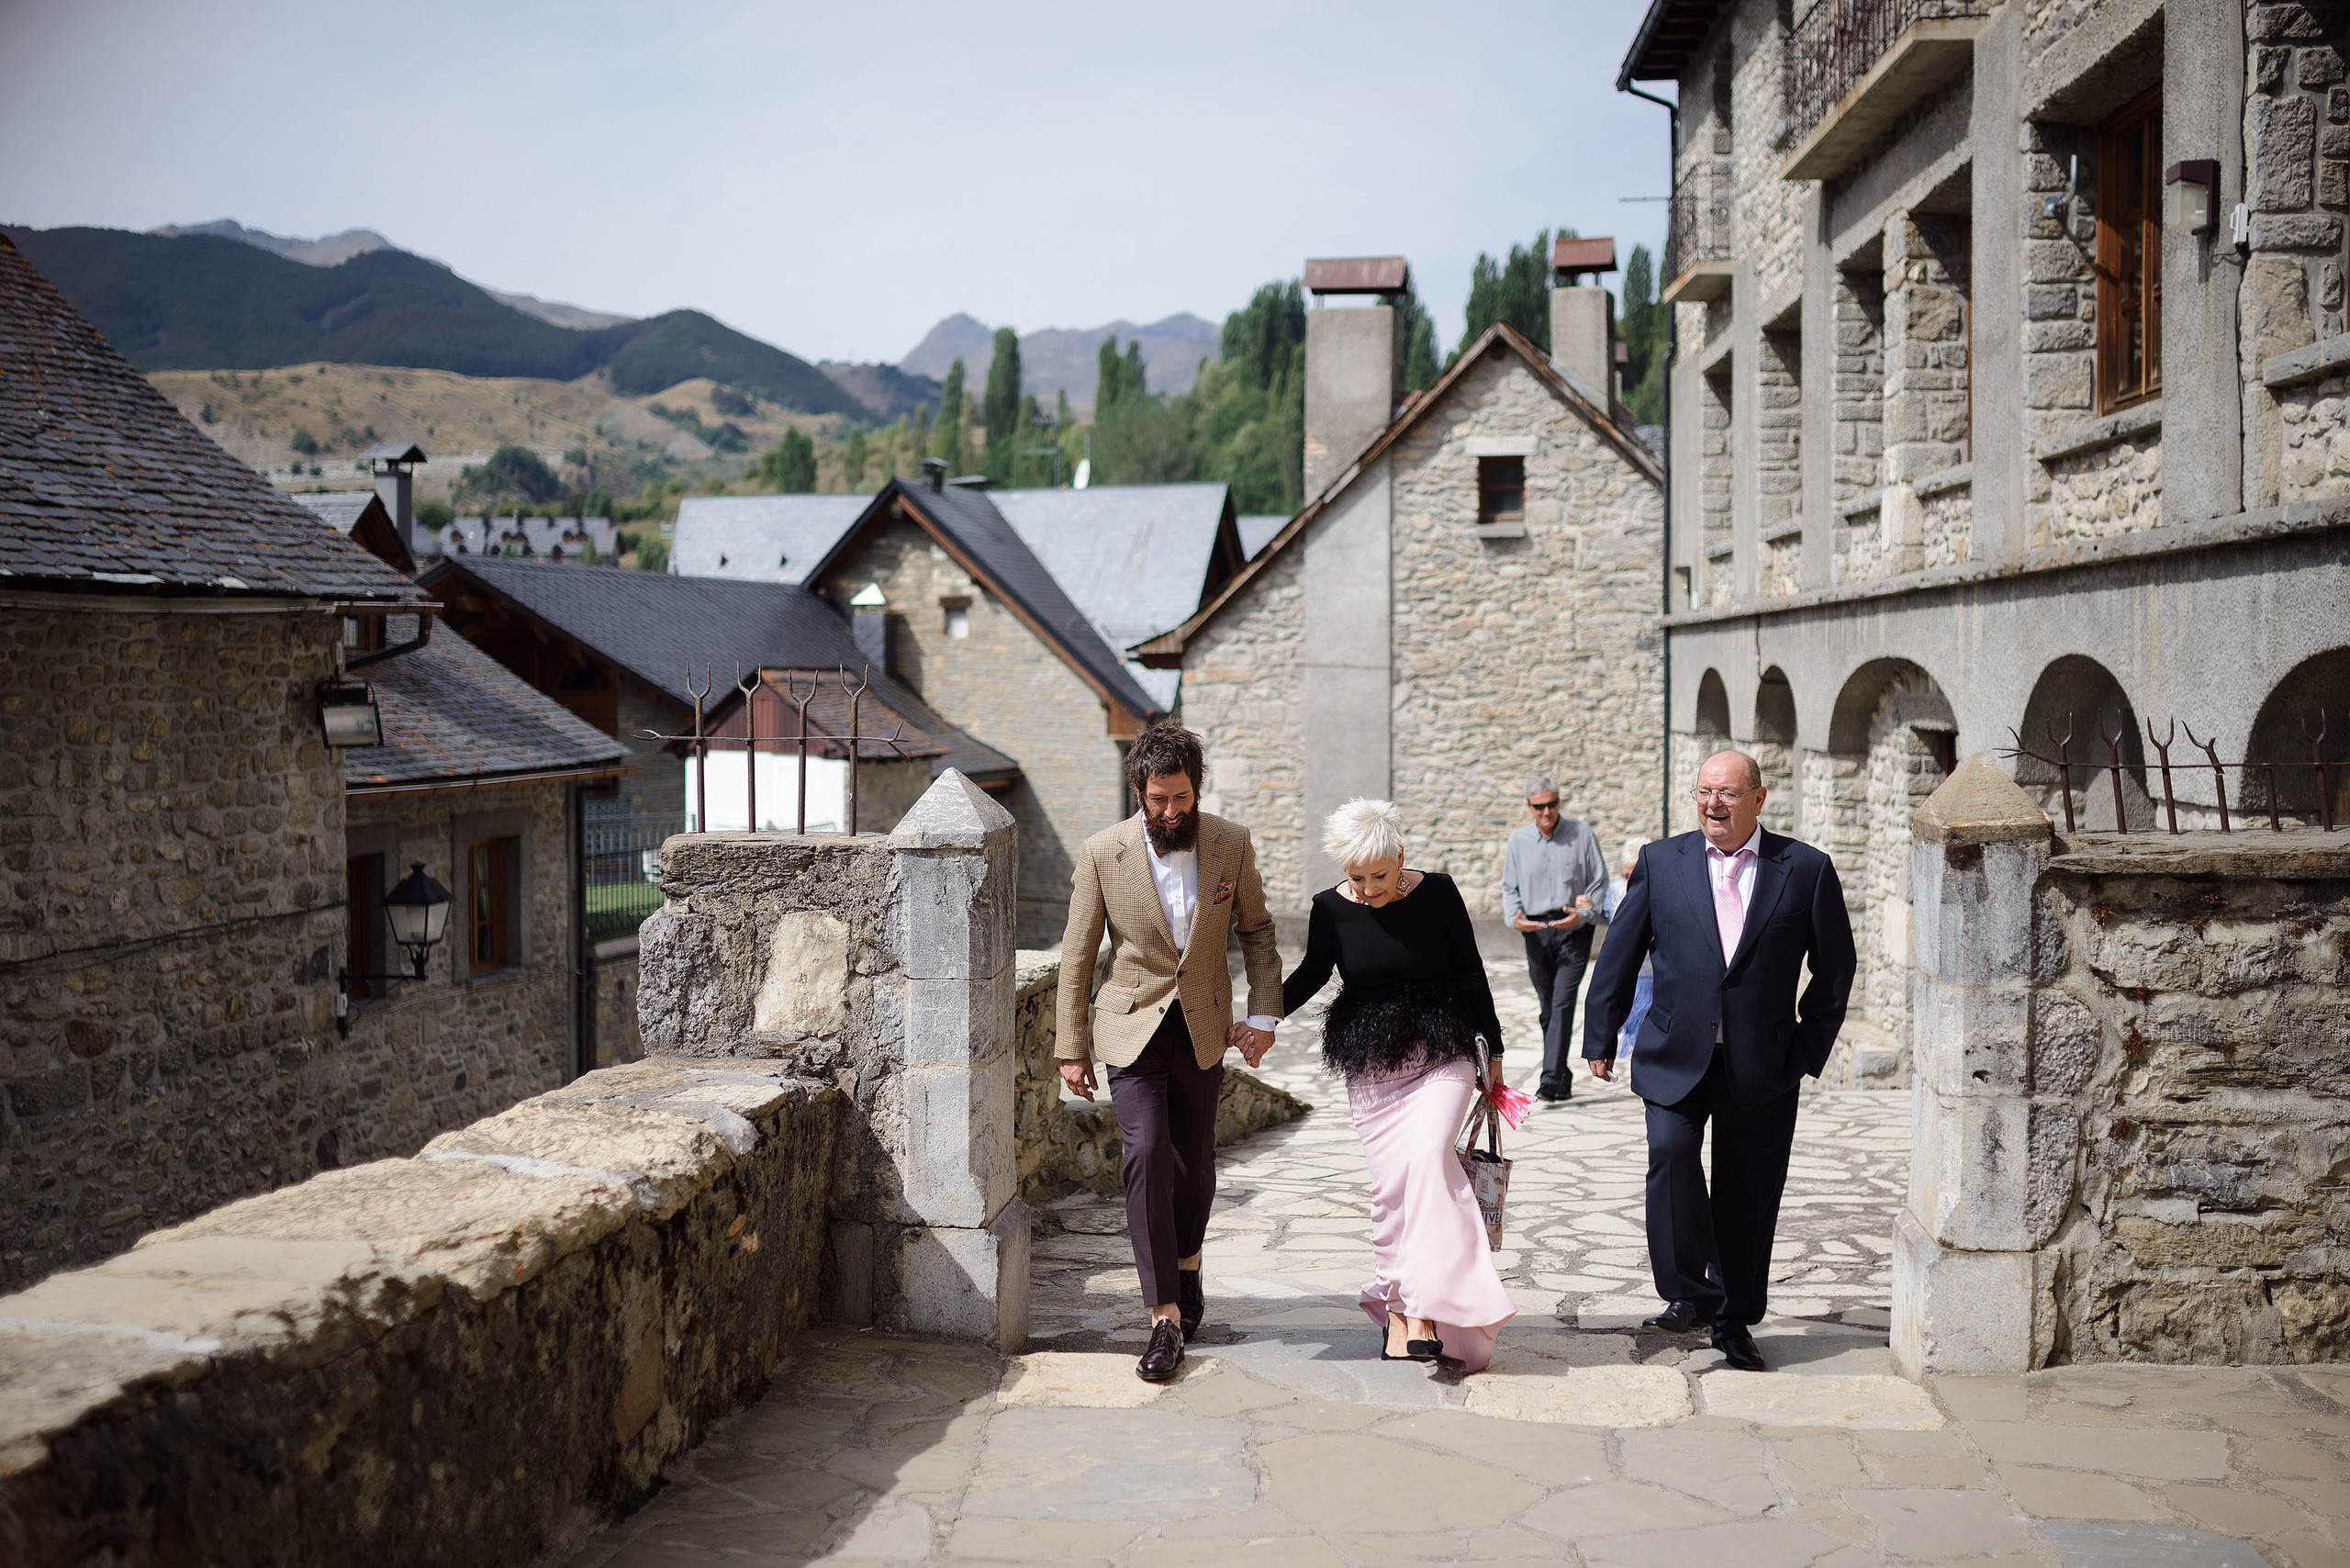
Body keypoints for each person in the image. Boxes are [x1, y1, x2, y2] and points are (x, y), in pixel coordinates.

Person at [1581, 750, 1855, 1373]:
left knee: (1748, 1195)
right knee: (1672, 1158)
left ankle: (1734, 1318)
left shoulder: (1805, 869)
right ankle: (1690, 1291)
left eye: (1728, 794)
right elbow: (1620, 952)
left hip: (1763, 1066)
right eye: (1705, 792)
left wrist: (1806, 1050)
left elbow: (1835, 970)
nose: (1714, 804)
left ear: (1758, 799)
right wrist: (1601, 1033)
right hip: (1675, 1054)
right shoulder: (1661, 861)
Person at [1057, 720, 1283, 1383]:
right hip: (1130, 1027)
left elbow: (1258, 931)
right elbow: (1077, 955)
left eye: (1181, 799)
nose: (1171, 812)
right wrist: (1072, 1048)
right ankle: (1163, 1318)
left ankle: (1189, 1263)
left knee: (1194, 1166)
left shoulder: (1230, 845)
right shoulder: (1104, 852)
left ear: (1197, 789)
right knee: (1147, 1154)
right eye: (1159, 800)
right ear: (1138, 790)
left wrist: (1264, 1014)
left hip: (1204, 1025)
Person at [1281, 799, 1516, 1372]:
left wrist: (1496, 1052)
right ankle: (1398, 1312)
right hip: (1373, 1070)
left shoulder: (1438, 893)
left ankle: (1426, 1308)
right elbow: (1313, 973)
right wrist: (1261, 1019)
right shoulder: (1329, 909)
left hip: (1444, 1054)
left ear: (1400, 857)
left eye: (1379, 876)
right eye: (1356, 877)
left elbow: (1471, 970)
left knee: (1431, 1157)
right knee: (1392, 1192)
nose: (1367, 889)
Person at [1501, 778, 1607, 1103]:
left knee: (1562, 1003)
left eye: (1552, 804)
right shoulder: (1518, 841)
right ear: (1529, 807)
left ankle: (1548, 1080)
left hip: (1573, 930)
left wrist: (1584, 915)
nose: (1547, 811)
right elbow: (1509, 887)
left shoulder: (1581, 833)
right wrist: (1515, 918)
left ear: (1559, 802)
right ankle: (1562, 1075)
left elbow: (1599, 882)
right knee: (1548, 1008)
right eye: (1539, 806)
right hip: (1535, 931)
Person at [1601, 836, 1653, 1058]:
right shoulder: (1614, 890)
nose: (1628, 879)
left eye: (1632, 874)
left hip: (1652, 973)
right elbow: (1602, 916)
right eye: (1624, 875)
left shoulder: (1658, 887)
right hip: (1624, 971)